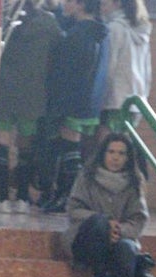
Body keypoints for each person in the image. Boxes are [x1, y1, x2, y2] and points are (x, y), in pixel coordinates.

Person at [63, 131, 156, 277]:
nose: (115, 157)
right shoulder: (87, 176)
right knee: (99, 222)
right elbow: (73, 209)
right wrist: (106, 223)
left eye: (121, 153)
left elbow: (139, 219)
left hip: (119, 240)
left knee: (127, 249)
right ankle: (99, 276)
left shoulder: (134, 182)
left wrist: (118, 230)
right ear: (103, 153)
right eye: (111, 152)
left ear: (128, 157)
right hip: (87, 238)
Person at [33, 0, 108, 214]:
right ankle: (61, 195)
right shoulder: (96, 32)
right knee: (68, 147)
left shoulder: (80, 35)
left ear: (81, 4)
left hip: (73, 101)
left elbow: (70, 73)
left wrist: (60, 102)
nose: (64, 3)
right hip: (87, 100)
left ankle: (67, 197)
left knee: (69, 148)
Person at [0, 0, 62, 212]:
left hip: (4, 90)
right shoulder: (49, 23)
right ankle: (22, 197)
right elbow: (58, 52)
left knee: (2, 144)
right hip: (33, 94)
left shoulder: (4, 22)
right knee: (26, 147)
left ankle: (3, 197)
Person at [93, 0, 150, 136]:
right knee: (123, 148)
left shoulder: (114, 28)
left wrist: (99, 98)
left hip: (114, 100)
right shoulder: (141, 31)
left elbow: (108, 67)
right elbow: (147, 70)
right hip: (136, 100)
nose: (100, 9)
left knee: (107, 147)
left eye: (103, 4)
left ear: (117, 3)